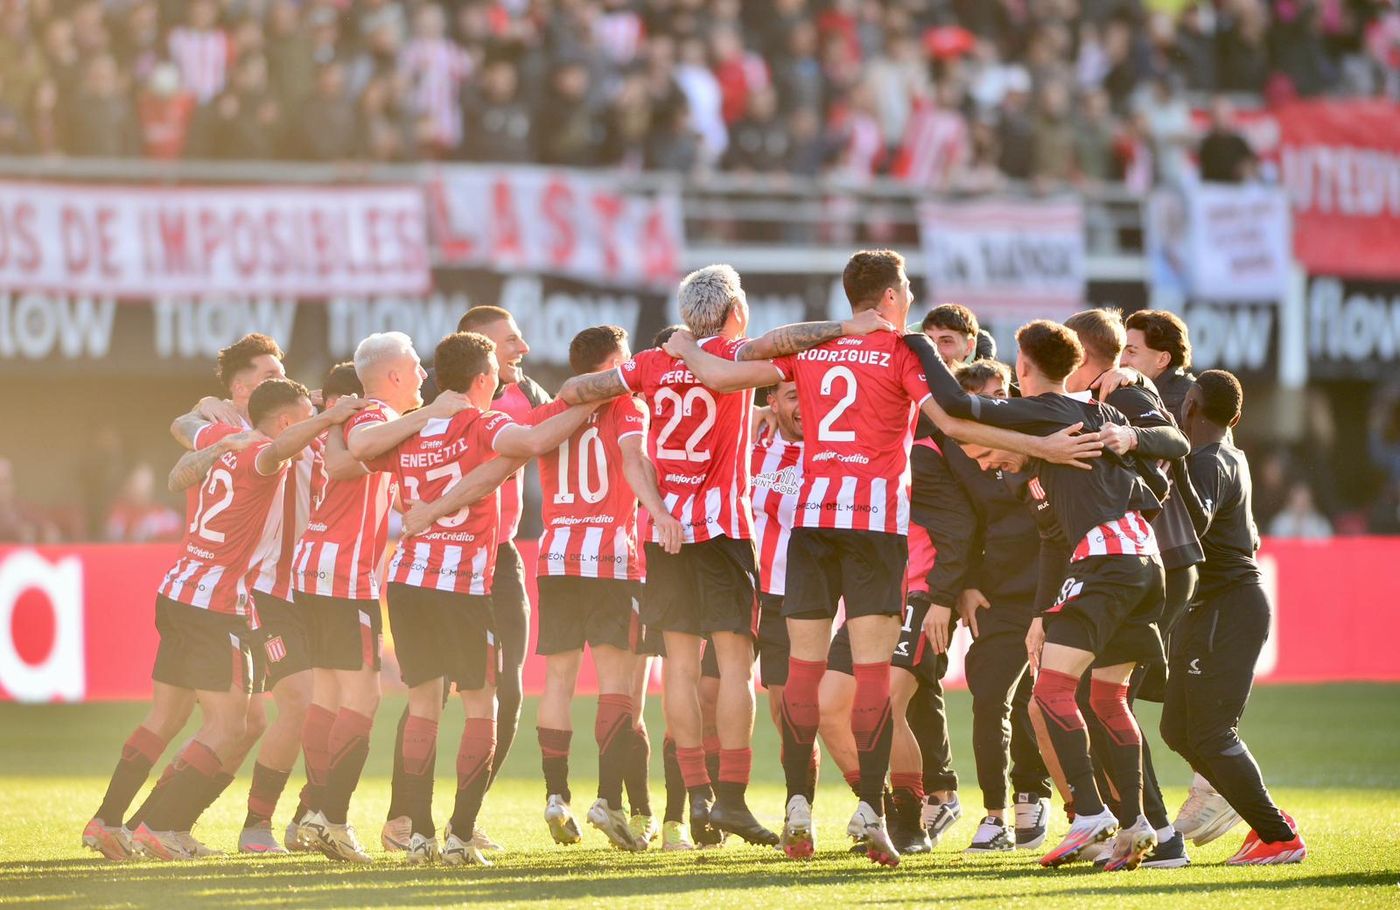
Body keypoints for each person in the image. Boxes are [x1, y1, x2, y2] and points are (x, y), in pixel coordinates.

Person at [665, 252, 1104, 867]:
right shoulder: (902, 351)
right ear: (893, 297)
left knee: (804, 673)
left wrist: (685, 351)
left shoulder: (808, 348)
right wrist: (1040, 446)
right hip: (873, 525)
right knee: (871, 676)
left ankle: (797, 803)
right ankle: (872, 810)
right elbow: (952, 424)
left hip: (812, 522)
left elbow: (724, 370)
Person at [555, 265, 900, 850]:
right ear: (735, 309)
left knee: (682, 672)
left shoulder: (649, 364)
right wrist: (848, 325)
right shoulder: (733, 355)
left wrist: (615, 383)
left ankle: (696, 797)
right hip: (721, 528)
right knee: (735, 667)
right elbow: (793, 344)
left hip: (665, 532)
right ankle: (734, 799)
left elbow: (574, 392)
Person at [906, 319, 1168, 871]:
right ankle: (1146, 827)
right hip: (1140, 562)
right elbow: (1058, 542)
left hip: (1110, 562)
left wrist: (917, 345)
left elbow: (956, 404)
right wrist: (1041, 616)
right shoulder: (1057, 460)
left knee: (1049, 695)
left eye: (990, 455)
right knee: (1106, 699)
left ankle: (1091, 817)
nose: (990, 465)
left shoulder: (1049, 409)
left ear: (1022, 368)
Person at [348, 331, 599, 867]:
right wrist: (596, 400)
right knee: (482, 706)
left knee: (422, 710)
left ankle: (419, 836)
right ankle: (461, 836)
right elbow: (533, 442)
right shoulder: (481, 422)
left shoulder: (411, 428)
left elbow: (356, 459)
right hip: (462, 586)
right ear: (484, 380)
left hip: (409, 582)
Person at [85, 381, 363, 862]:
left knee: (167, 717)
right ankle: (158, 826)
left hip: (177, 590)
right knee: (230, 725)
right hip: (215, 605)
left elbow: (180, 468)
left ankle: (107, 821)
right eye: (304, 419)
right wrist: (333, 418)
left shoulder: (227, 443)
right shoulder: (261, 452)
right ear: (283, 423)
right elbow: (279, 447)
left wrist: (215, 434)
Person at [294, 333, 470, 863]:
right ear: (393, 375)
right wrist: (430, 413)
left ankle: (314, 812)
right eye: (416, 366)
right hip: (343, 572)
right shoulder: (371, 413)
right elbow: (364, 449)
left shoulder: (364, 416)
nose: (424, 375)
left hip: (320, 566)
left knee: (327, 695)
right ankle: (332, 817)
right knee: (363, 698)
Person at [417, 304, 555, 855]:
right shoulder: (437, 403)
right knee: (432, 692)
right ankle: (410, 821)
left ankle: (463, 820)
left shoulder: (529, 394)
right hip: (443, 559)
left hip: (501, 559)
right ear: (479, 347)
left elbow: (567, 424)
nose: (522, 349)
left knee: (508, 694)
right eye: (511, 340)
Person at [1064, 307, 1197, 868]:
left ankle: (1157, 833)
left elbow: (1175, 441)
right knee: (1101, 699)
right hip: (1118, 563)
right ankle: (1143, 830)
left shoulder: (1123, 393)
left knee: (1107, 700)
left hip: (1147, 561)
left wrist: (1129, 428)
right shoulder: (1080, 403)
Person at [1161, 370, 1306, 865]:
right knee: (1177, 730)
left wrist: (1172, 460)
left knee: (1210, 733)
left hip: (1228, 605)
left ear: (1191, 407)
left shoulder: (1204, 460)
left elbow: (1196, 521)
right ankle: (1254, 809)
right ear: (1237, 418)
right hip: (1214, 605)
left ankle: (1278, 835)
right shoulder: (1230, 456)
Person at [945, 360, 1055, 854]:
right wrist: (965, 583)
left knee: (1046, 703)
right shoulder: (958, 453)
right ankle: (994, 816)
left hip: (1052, 596)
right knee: (991, 699)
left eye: (1001, 393)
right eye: (984, 397)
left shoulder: (1040, 434)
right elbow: (959, 523)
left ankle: (1038, 795)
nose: (996, 404)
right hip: (1000, 597)